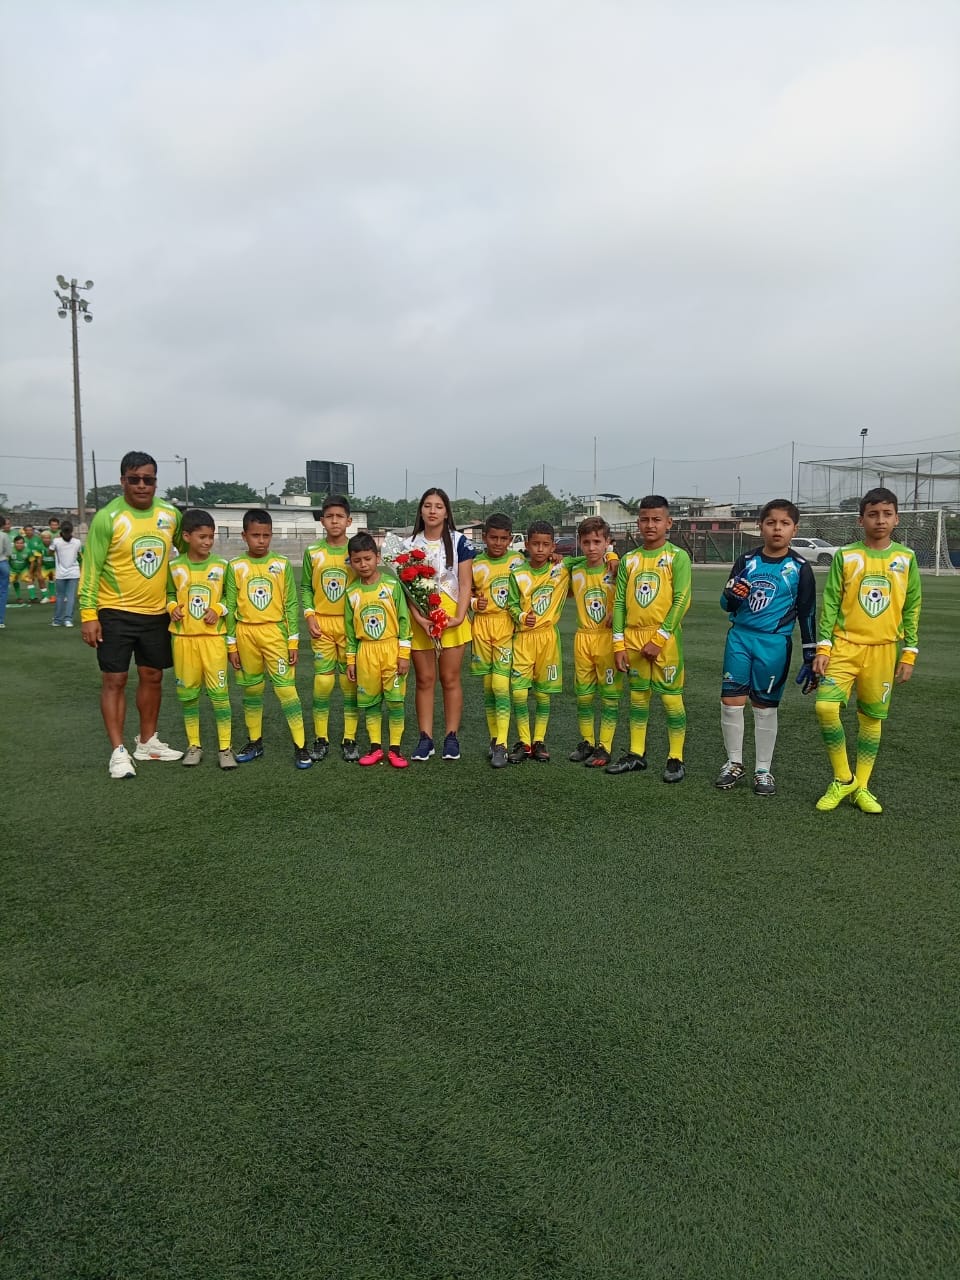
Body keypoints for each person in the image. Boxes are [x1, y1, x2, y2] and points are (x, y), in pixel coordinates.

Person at [812, 487, 921, 814]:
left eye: (887, 514)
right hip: (844, 646)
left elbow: (912, 605)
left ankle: (861, 787)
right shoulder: (846, 556)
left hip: (884, 649)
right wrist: (823, 646)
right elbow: (831, 601)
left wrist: (909, 652)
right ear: (861, 520)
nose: (880, 520)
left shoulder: (907, 558)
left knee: (871, 718)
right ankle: (844, 778)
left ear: (897, 519)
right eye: (873, 514)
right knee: (825, 708)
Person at [78, 451, 184, 778]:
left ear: (155, 482)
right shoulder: (107, 518)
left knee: (153, 676)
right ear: (122, 480)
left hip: (156, 613)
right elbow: (91, 569)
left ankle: (147, 742)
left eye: (148, 480)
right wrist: (88, 614)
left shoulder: (170, 514)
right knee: (115, 679)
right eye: (134, 479)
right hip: (115, 612)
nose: (141, 485)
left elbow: (188, 551)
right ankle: (118, 751)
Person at [714, 499, 817, 797]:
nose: (777, 529)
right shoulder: (746, 561)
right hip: (740, 638)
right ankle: (734, 763)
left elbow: (807, 613)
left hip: (774, 644)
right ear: (760, 526)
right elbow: (725, 603)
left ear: (795, 529)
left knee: (765, 706)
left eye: (784, 524)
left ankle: (763, 770)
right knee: (731, 701)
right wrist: (733, 597)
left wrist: (810, 654)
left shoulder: (800, 568)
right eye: (771, 523)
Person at [607, 495, 691, 782]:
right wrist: (618, 644)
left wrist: (660, 638)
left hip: (664, 638)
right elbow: (619, 603)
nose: (650, 525)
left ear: (669, 523)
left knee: (671, 699)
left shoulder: (677, 557)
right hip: (632, 637)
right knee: (638, 696)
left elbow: (681, 600)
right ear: (638, 523)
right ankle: (636, 753)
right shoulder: (629, 560)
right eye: (644, 519)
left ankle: (675, 758)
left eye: (656, 519)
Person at [225, 508, 312, 769]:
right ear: (244, 536)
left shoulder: (282, 564)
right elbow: (230, 606)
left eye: (266, 535)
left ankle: (301, 746)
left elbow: (291, 604)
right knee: (252, 689)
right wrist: (231, 645)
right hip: (245, 634)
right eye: (255, 535)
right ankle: (255, 742)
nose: (261, 541)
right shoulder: (235, 566)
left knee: (286, 690)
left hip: (275, 633)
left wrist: (293, 641)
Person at [404, 488, 475, 763]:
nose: (432, 511)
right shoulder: (409, 544)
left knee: (450, 678)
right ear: (420, 510)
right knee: (424, 680)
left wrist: (459, 616)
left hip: (452, 616)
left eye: (438, 506)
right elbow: (406, 588)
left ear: (447, 512)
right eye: (427, 505)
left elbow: (466, 584)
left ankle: (451, 737)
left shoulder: (459, 542)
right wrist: (418, 617)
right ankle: (425, 739)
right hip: (420, 618)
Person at [166, 509, 236, 769]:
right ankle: (193, 745)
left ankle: (225, 748)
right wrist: (171, 607)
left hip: (213, 639)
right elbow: (168, 594)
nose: (208, 542)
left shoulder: (222, 566)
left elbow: (230, 597)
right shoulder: (174, 567)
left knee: (220, 695)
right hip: (183, 639)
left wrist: (218, 609)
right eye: (202, 537)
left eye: (211, 537)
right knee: (189, 696)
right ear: (187, 536)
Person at [344, 532, 412, 768]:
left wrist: (404, 655)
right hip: (366, 653)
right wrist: (350, 660)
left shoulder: (391, 585)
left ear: (377, 557)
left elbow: (404, 621)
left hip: (391, 649)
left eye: (367, 558)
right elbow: (349, 631)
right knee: (371, 703)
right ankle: (375, 748)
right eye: (357, 560)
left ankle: (395, 750)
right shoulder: (351, 592)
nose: (363, 564)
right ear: (351, 562)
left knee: (395, 702)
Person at [301, 495, 360, 762]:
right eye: (329, 516)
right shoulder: (313, 552)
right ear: (322, 520)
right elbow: (305, 587)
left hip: (349, 625)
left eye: (339, 516)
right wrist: (310, 616)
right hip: (322, 624)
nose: (334, 521)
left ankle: (349, 738)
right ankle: (321, 738)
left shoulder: (355, 550)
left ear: (349, 521)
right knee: (323, 682)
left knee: (350, 682)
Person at [506, 520, 570, 763]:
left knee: (543, 694)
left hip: (547, 639)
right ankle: (524, 742)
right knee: (519, 693)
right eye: (535, 544)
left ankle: (539, 740)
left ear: (553, 546)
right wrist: (522, 616)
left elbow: (590, 558)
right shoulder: (517, 573)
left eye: (545, 544)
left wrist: (612, 555)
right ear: (527, 545)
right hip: (523, 638)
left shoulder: (562, 569)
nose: (540, 549)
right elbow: (512, 604)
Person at [469, 513, 525, 768]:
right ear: (484, 537)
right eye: (494, 538)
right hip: (482, 627)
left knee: (501, 685)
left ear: (510, 539)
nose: (499, 543)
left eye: (504, 538)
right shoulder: (475, 564)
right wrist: (473, 603)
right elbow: (464, 593)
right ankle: (494, 740)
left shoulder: (517, 560)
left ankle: (502, 744)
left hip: (506, 625)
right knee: (489, 686)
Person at [566, 516, 621, 769]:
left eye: (597, 542)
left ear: (607, 542)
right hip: (583, 638)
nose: (591, 547)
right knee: (584, 696)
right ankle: (587, 742)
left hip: (607, 640)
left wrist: (613, 556)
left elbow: (628, 598)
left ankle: (605, 746)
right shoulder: (575, 570)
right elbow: (563, 562)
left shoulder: (616, 570)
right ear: (580, 542)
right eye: (586, 542)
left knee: (609, 696)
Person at [51, 519, 83, 627]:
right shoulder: (77, 542)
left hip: (61, 573)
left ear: (61, 530)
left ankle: (57, 620)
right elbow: (79, 554)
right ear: (72, 530)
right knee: (70, 597)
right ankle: (68, 620)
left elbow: (49, 551)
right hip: (74, 572)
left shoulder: (56, 541)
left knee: (60, 596)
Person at [21, 524, 44, 603]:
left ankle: (45, 596)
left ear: (33, 530)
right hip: (27, 563)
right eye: (27, 530)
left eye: (30, 530)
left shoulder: (38, 539)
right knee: (30, 578)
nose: (29, 532)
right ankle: (33, 597)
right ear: (24, 531)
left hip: (38, 562)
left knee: (41, 579)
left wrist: (40, 560)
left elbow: (41, 549)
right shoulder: (22, 539)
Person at [8, 535, 33, 606]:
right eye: (17, 543)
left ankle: (33, 597)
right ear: (14, 543)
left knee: (30, 580)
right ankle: (17, 597)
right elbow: (7, 561)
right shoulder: (10, 551)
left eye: (21, 543)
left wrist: (30, 572)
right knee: (7, 582)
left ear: (24, 543)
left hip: (23, 569)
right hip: (12, 569)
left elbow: (32, 562)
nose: (19, 545)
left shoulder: (28, 551)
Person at [38, 529, 57, 603]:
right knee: (40, 579)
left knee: (59, 580)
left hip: (55, 567)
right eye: (45, 538)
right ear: (41, 539)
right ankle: (45, 596)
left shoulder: (55, 546)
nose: (47, 540)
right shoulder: (39, 547)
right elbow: (39, 560)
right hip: (45, 567)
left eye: (48, 538)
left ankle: (61, 596)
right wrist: (39, 571)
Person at [0, 516, 10, 628]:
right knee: (2, 592)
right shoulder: (4, 535)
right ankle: (0, 620)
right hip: (2, 562)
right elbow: (8, 552)